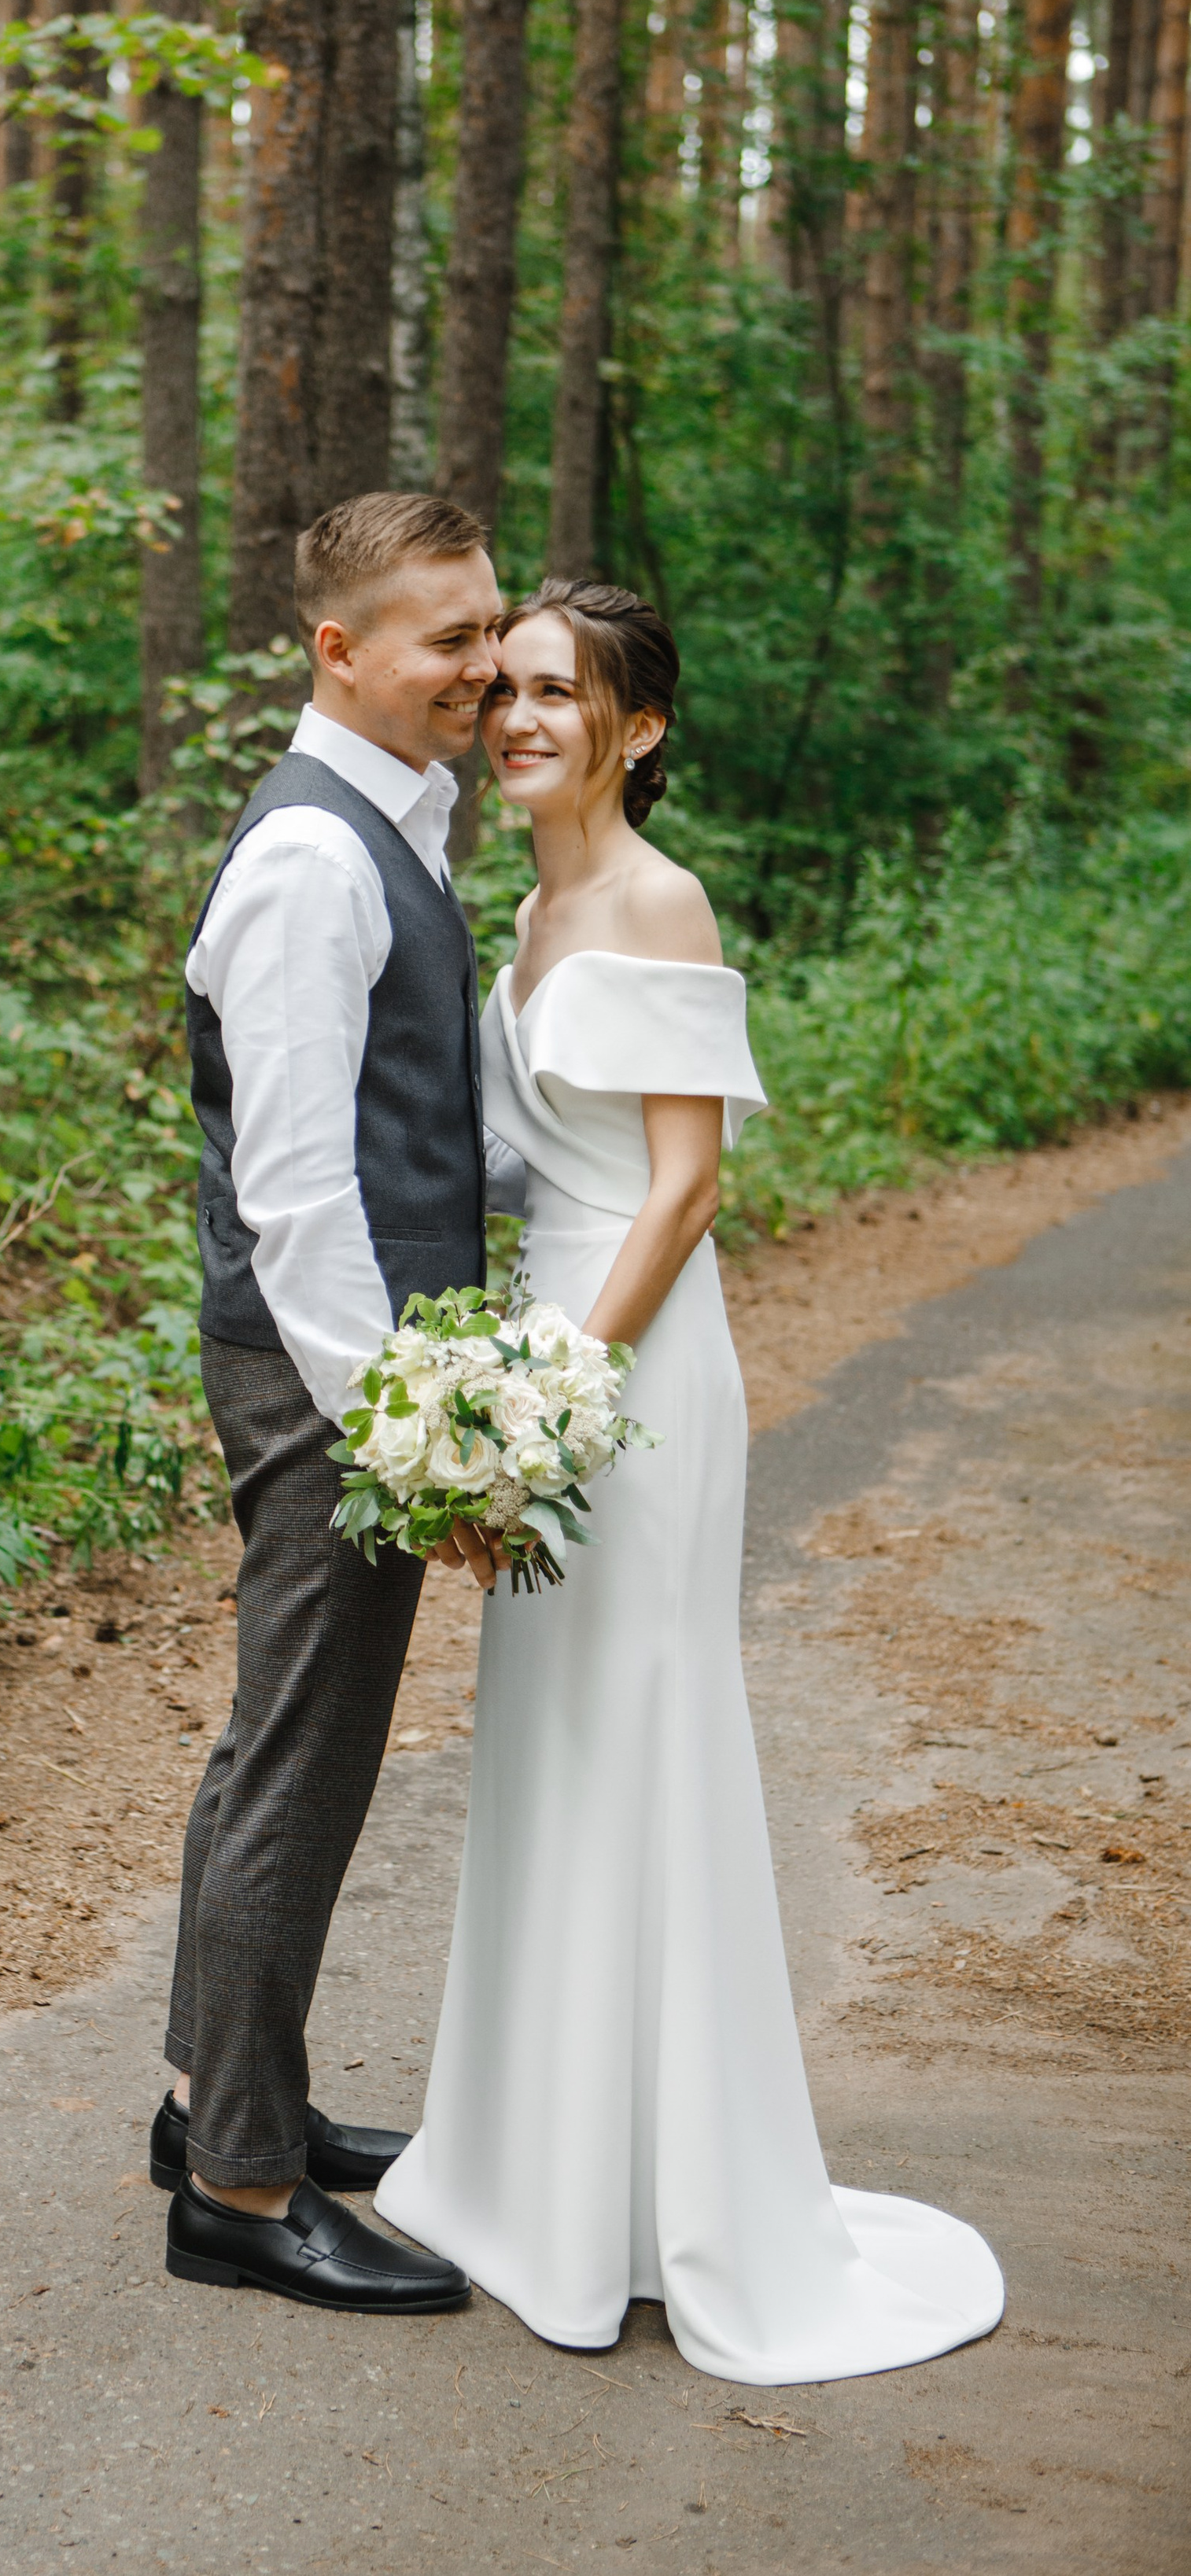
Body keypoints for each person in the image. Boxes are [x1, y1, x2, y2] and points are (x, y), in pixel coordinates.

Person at [374, 577, 1006, 2383]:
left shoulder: (652, 899)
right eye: (504, 689)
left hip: (636, 1375)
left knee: (639, 1731)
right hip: (548, 1357)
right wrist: (477, 1387)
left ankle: (660, 2201)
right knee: (549, 1741)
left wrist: (554, 1391)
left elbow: (680, 1187)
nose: (516, 717)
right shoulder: (530, 899)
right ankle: (533, 2167)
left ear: (635, 730)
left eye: (557, 695)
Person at [153, 492, 510, 2315]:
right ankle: (231, 2184)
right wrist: (408, 1431)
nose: (484, 665)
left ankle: (228, 2093)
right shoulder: (311, 859)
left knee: (276, 1736)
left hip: (346, 1362)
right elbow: (298, 1196)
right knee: (305, 1751)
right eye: (444, 637)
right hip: (327, 1379)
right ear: (338, 649)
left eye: (488, 627)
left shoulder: (392, 824)